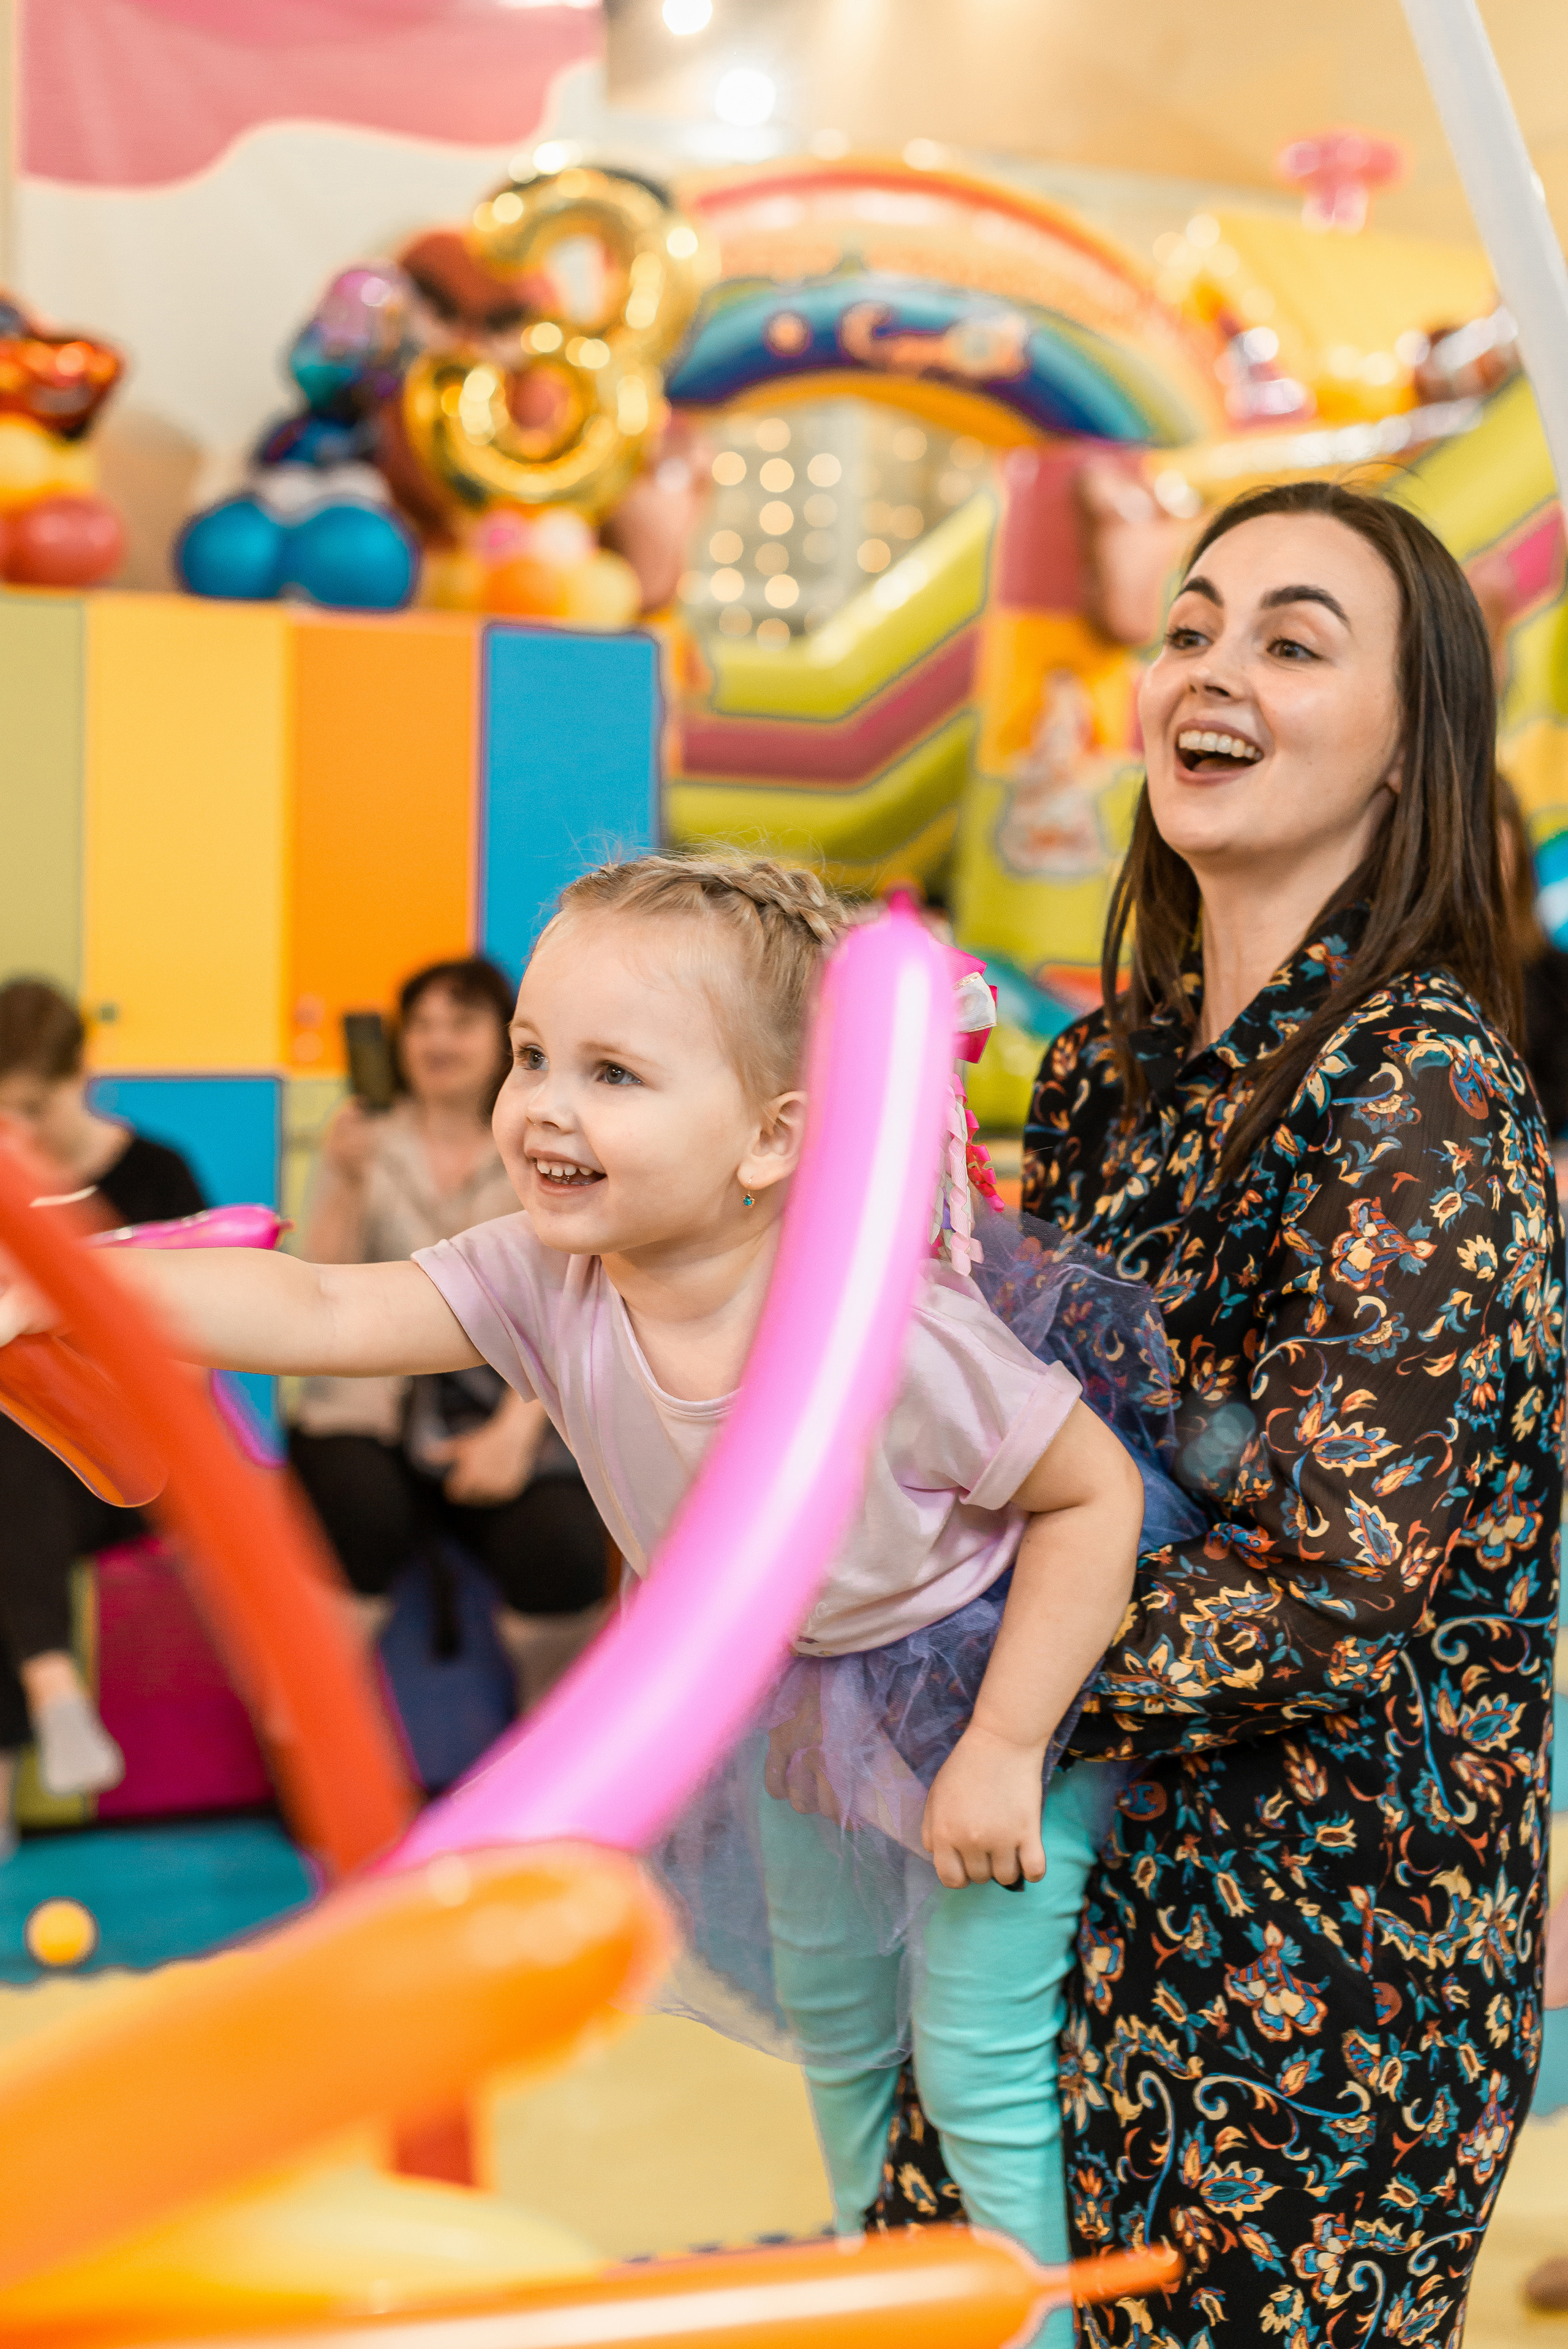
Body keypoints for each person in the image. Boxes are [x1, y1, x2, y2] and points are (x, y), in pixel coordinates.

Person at [0, 853, 1174, 2288]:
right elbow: (319, 1296)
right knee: (846, 2049)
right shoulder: (544, 1270)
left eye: (613, 1072)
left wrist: (1000, 1744)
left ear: (767, 1138)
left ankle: (1026, 2319)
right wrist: (73, 1291)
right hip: (796, 1690)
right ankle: (893, 2282)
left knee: (981, 2067)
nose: (544, 1104)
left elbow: (1091, 1492)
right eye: (532, 1056)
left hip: (982, 1680)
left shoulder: (895, 1335)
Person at [872, 480, 1565, 2347]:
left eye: (1287, 638)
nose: (1209, 670)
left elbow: (1331, 1592)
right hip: (1044, 1878)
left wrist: (928, 1669)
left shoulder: (1420, 1096)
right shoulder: (1107, 1071)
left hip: (1312, 1951)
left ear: (1415, 749)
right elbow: (1027, 1440)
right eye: (1188, 627)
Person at [287, 956, 608, 1701]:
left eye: (458, 1024)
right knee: (356, 1520)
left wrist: (512, 1434)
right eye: (421, 1025)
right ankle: (318, 1750)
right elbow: (313, 1284)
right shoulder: (362, 1139)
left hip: (505, 1404)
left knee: (560, 1550)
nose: (435, 1042)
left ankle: (551, 1758)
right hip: (367, 1407)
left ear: (503, 1042)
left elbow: (571, 1303)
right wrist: (344, 1175)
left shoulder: (544, 1146)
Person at [0, 977, 206, 1842]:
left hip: (131, 1463)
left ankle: (49, 1694)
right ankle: (53, 1692)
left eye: (33, 1106)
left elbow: (194, 1364)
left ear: (80, 1073)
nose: (20, 1132)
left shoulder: (154, 1176)